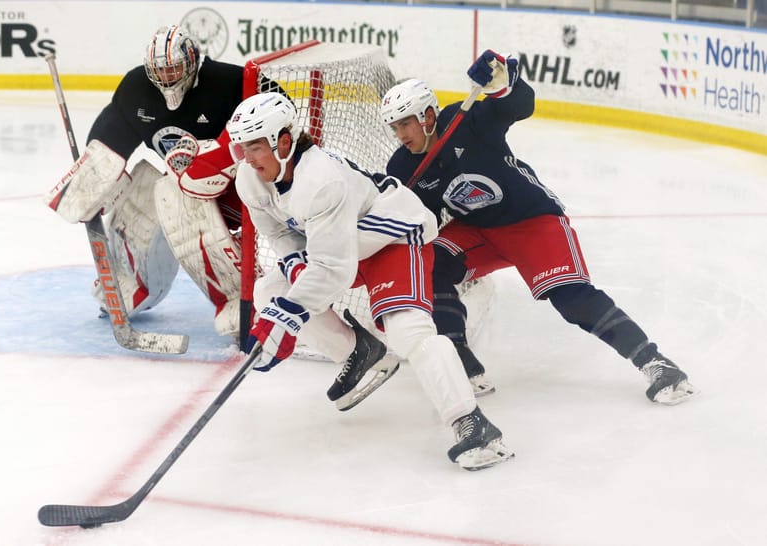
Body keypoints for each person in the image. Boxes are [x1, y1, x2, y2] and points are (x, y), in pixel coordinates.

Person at [380, 50, 698, 405]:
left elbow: (518, 106)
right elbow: (420, 220)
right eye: (395, 128)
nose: (400, 134)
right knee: (429, 264)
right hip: (475, 229)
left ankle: (654, 362)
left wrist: (503, 86)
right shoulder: (403, 165)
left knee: (571, 298)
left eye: (405, 123)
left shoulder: (464, 120)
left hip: (531, 219)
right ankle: (461, 361)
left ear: (426, 116)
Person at [226, 91, 514, 470]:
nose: (246, 157)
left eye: (255, 146)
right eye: (241, 147)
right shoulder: (251, 178)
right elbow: (283, 236)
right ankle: (357, 353)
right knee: (270, 291)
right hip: (342, 246)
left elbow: (333, 269)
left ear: (283, 141)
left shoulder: (322, 180)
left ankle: (473, 425)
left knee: (408, 331)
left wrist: (290, 314)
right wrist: (296, 274)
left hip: (390, 237)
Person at [44, 24, 268, 336]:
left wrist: (220, 155)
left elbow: (274, 114)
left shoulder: (226, 81)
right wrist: (94, 178)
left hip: (240, 187)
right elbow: (113, 133)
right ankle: (132, 284)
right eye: (161, 71)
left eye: (175, 68)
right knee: (148, 191)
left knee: (180, 202)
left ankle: (241, 297)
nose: (168, 78)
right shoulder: (137, 88)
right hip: (183, 181)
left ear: (191, 61)